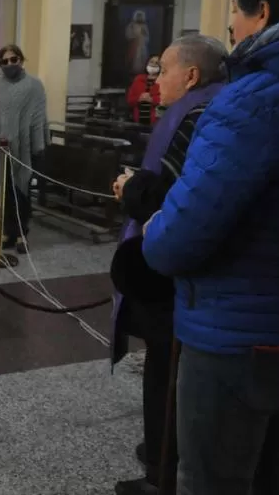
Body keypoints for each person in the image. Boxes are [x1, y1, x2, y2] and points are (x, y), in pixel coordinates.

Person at [141, 0, 279, 495]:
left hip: (237, 338)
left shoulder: (254, 101)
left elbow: (175, 241)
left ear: (264, 12)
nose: (230, 22)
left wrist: (154, 226)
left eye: (234, 7)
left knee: (214, 480)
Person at [110, 35, 227, 495]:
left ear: (192, 75)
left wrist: (131, 190)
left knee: (167, 367)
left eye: (166, 69)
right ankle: (163, 446)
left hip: (176, 274)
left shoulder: (197, 115)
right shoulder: (214, 106)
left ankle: (163, 468)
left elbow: (180, 202)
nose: (156, 79)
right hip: (191, 272)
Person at [0, 44, 47, 254]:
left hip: (25, 147)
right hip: (1, 147)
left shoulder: (34, 85)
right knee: (5, 192)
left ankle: (21, 234)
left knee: (22, 192)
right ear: (0, 64)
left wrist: (38, 145)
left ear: (21, 59)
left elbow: (38, 116)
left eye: (14, 59)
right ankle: (6, 232)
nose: (10, 64)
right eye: (5, 61)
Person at [126, 54, 161, 124]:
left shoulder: (163, 81)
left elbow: (166, 100)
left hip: (156, 123)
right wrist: (139, 98)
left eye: (157, 63)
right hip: (138, 122)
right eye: (151, 62)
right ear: (147, 63)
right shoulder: (138, 79)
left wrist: (152, 99)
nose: (153, 64)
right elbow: (130, 100)